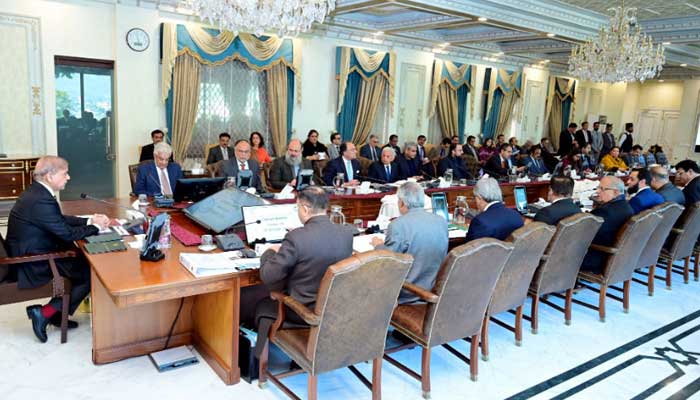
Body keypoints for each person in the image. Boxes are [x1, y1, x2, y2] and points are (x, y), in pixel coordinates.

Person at [7, 156, 110, 342]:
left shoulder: (38, 193)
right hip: (31, 262)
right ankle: (45, 312)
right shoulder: (40, 199)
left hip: (33, 250)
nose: (69, 177)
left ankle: (56, 312)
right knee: (88, 272)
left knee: (83, 262)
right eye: (65, 173)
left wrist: (89, 220)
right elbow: (66, 234)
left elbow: (58, 220)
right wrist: (97, 228)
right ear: (49, 176)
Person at [248, 186, 355, 357]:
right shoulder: (346, 233)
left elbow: (268, 276)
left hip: (302, 311)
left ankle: (258, 358)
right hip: (334, 308)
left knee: (261, 304)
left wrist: (270, 251)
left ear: (305, 208)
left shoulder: (296, 237)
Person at [370, 182, 448, 303]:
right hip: (434, 287)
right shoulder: (441, 221)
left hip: (407, 292)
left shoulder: (397, 225)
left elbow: (387, 261)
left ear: (401, 202)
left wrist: (378, 245)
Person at [580, 176, 634, 273]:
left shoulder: (605, 212)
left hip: (596, 258)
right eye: (598, 187)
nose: (598, 191)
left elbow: (583, 234)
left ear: (616, 192)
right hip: (612, 256)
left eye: (602, 189)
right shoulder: (626, 206)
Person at [465, 176, 524, 242]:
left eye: (475, 198)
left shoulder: (480, 222)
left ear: (479, 198)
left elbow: (468, 248)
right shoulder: (516, 216)